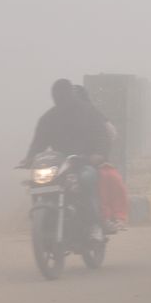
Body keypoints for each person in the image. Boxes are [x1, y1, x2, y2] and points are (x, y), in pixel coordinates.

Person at [22, 79, 110, 241]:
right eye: (57, 96)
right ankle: (43, 224)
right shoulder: (48, 118)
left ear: (70, 95)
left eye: (63, 96)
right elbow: (38, 142)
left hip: (84, 162)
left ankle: (94, 225)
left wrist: (99, 154)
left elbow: (102, 136)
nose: (61, 99)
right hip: (59, 164)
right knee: (37, 183)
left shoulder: (88, 112)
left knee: (86, 179)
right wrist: (29, 158)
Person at [73, 85, 129, 233]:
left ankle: (110, 217)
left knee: (108, 178)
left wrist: (98, 153)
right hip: (66, 162)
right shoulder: (57, 117)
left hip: (90, 161)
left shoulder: (94, 115)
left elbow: (110, 134)